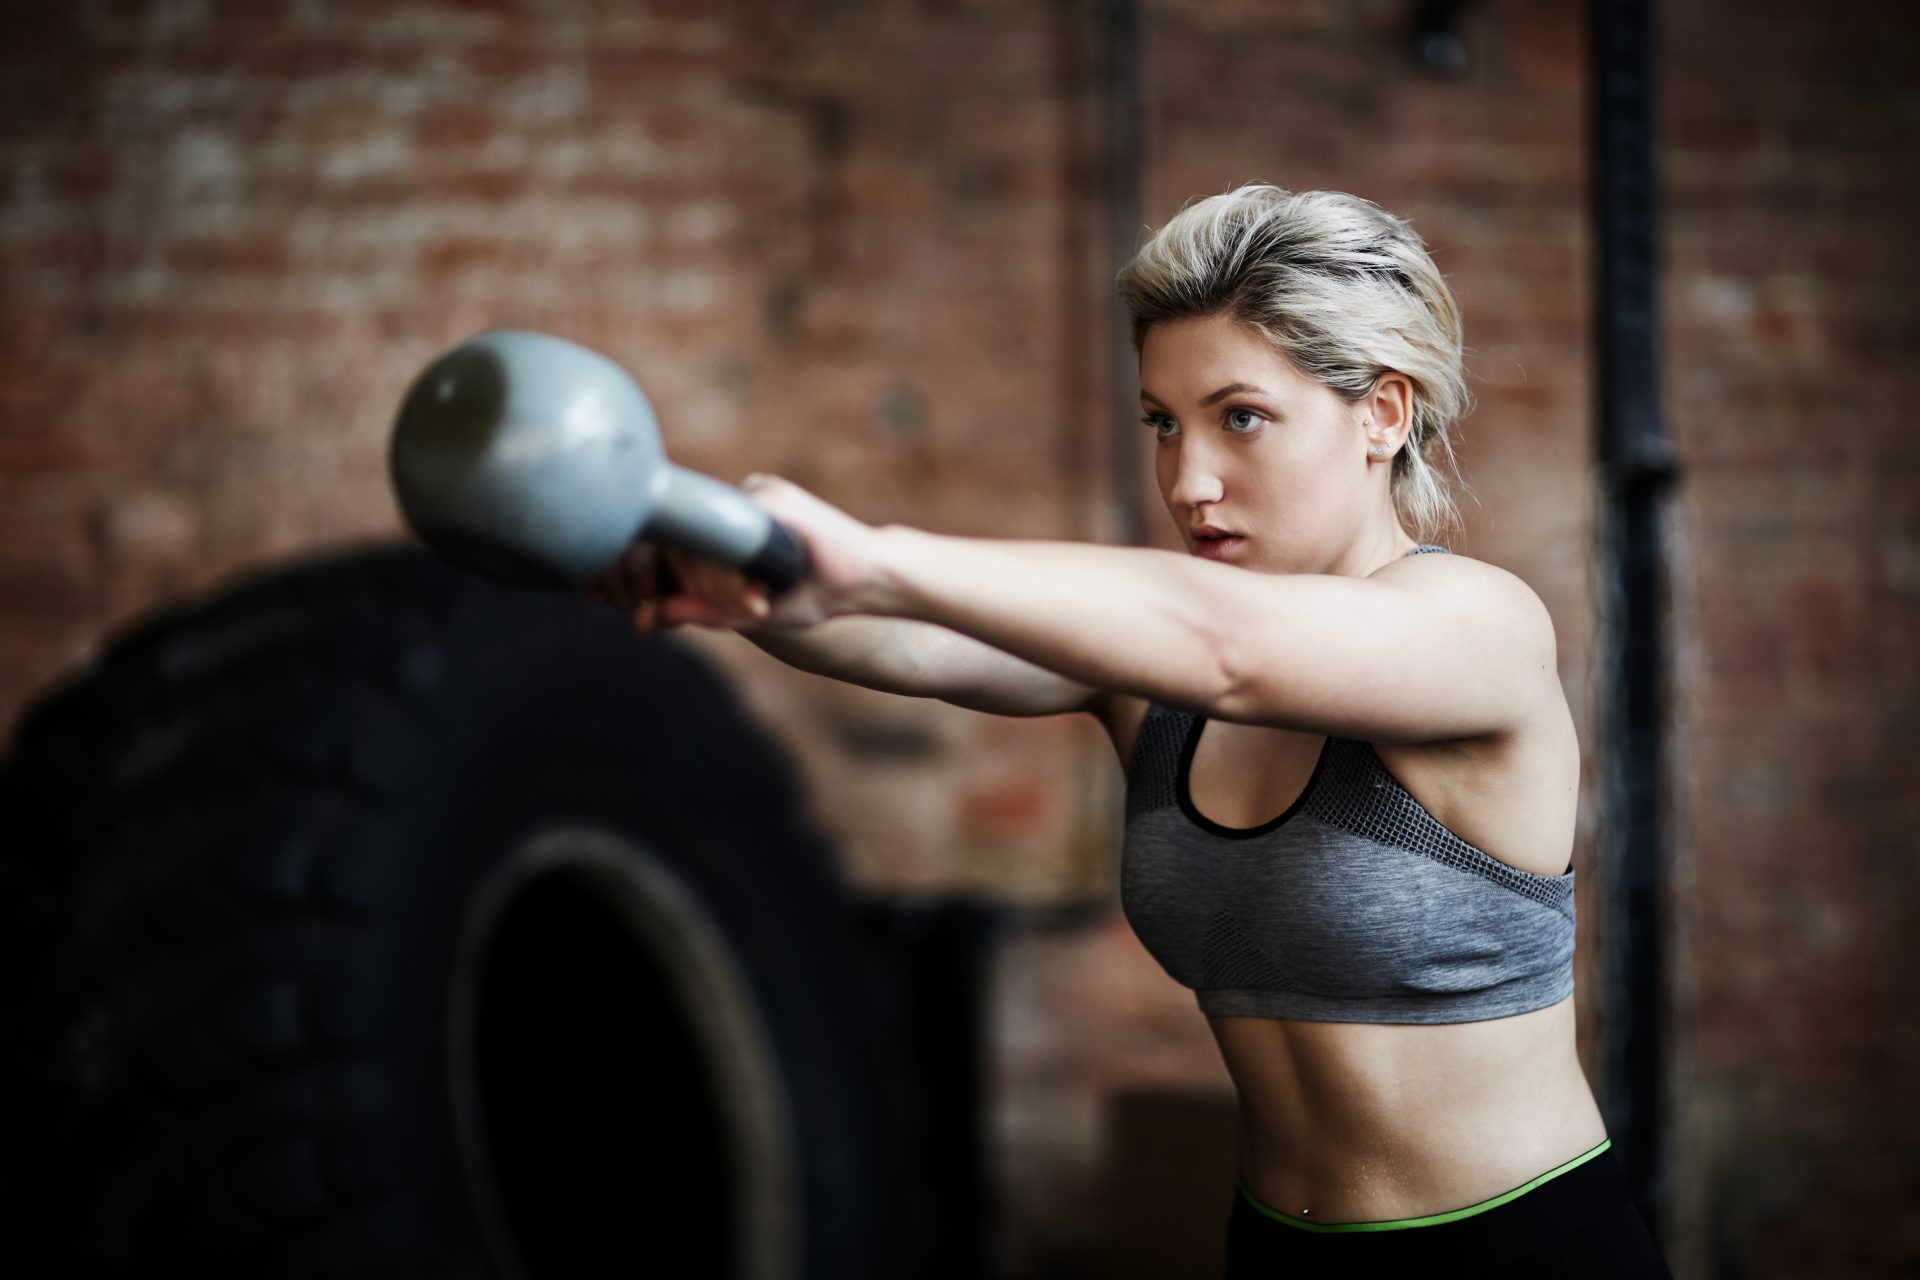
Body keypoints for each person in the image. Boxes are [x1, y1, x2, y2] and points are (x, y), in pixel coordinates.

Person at [583, 183, 1673, 1277]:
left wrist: (874, 553)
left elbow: (1233, 652)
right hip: (1276, 1248)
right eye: (1165, 422)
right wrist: (740, 580)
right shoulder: (1154, 674)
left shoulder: (1477, 626)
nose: (1189, 479)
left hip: (1519, 1253)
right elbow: (912, 642)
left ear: (1382, 413)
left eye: (1240, 416)